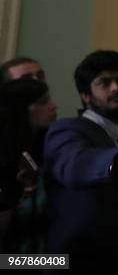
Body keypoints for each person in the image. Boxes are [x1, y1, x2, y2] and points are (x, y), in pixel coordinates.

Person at [43, 50, 118, 274]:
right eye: (104, 82)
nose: (115, 88)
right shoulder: (67, 129)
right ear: (86, 95)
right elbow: (75, 166)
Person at [0, 78, 56, 254]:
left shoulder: (44, 149)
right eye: (43, 102)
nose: (54, 106)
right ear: (23, 110)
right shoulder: (7, 161)